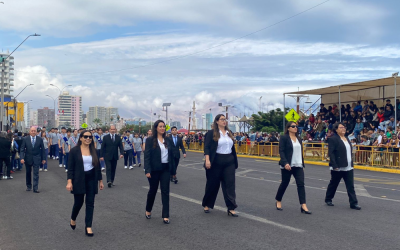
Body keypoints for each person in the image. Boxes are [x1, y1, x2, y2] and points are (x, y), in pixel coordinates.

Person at [66, 130, 104, 237]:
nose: (88, 139)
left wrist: (100, 181)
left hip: (91, 178)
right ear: (81, 138)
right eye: (86, 137)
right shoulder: (74, 151)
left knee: (90, 203)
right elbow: (70, 168)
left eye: (90, 137)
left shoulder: (95, 151)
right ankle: (73, 218)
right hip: (79, 179)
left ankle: (88, 226)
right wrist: (69, 182)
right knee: (78, 203)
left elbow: (98, 167)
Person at [202, 114, 239, 217]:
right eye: (222, 119)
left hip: (229, 161)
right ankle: (207, 204)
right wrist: (207, 160)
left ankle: (231, 207)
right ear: (217, 121)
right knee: (212, 184)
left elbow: (232, 148)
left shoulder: (229, 133)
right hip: (216, 161)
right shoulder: (211, 133)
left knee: (230, 185)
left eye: (225, 119)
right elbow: (207, 147)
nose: (224, 121)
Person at [275, 122, 311, 214]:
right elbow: (281, 151)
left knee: (301, 184)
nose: (295, 128)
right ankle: (278, 200)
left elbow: (300, 152)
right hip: (288, 165)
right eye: (293, 126)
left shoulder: (299, 139)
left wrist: (302, 164)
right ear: (288, 128)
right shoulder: (284, 138)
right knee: (285, 183)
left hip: (298, 165)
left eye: (296, 126)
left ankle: (303, 205)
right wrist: (285, 163)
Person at [325, 122, 361, 210]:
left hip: (348, 166)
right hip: (338, 166)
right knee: (334, 183)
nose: (343, 129)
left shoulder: (347, 138)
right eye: (341, 127)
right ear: (336, 129)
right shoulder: (333, 139)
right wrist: (334, 165)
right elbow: (331, 153)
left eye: (344, 127)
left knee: (350, 185)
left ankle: (353, 203)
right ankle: (328, 198)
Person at [144, 120, 175, 224]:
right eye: (160, 126)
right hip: (154, 169)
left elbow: (172, 155)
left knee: (165, 191)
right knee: (153, 190)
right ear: (156, 128)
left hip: (165, 168)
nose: (162, 128)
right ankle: (148, 209)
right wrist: (147, 170)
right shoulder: (150, 140)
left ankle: (166, 215)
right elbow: (147, 156)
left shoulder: (168, 140)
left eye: (163, 127)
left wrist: (173, 170)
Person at [20, 126, 46, 193]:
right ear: (29, 131)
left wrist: (44, 159)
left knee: (36, 174)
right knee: (28, 173)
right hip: (28, 158)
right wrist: (22, 158)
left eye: (34, 131)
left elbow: (43, 149)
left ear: (36, 132)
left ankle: (35, 188)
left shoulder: (40, 139)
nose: (33, 132)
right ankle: (29, 186)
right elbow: (22, 149)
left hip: (37, 158)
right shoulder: (25, 139)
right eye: (32, 131)